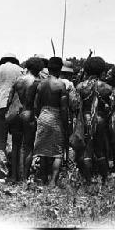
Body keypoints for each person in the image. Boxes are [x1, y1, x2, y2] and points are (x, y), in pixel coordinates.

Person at [75, 57, 113, 185]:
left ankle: (88, 179)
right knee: (99, 149)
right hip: (100, 119)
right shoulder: (107, 87)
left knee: (86, 149)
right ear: (101, 70)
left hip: (84, 119)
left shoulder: (80, 86)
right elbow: (111, 107)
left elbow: (75, 105)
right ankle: (104, 178)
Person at [0, 53, 23, 179]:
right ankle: (16, 173)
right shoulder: (21, 70)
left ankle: (3, 174)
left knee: (0, 142)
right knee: (16, 142)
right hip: (16, 108)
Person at [7, 57, 44, 181]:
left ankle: (13, 176)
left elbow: (9, 99)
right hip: (28, 113)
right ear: (39, 69)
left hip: (15, 114)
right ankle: (24, 178)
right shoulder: (37, 81)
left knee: (15, 145)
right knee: (28, 146)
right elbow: (36, 103)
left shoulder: (18, 80)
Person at [33, 57, 68, 187]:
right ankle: (53, 181)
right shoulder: (60, 84)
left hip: (43, 116)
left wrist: (40, 116)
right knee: (57, 152)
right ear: (59, 69)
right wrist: (65, 125)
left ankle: (42, 178)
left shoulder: (41, 84)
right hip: (55, 116)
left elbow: (36, 105)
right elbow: (64, 108)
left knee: (42, 150)